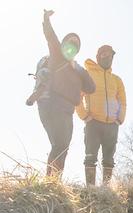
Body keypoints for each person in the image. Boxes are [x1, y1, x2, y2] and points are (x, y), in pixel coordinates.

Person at [29, 10, 96, 178]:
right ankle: (50, 181)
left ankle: (54, 181)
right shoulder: (57, 54)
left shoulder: (77, 69)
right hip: (51, 105)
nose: (71, 46)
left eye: (75, 45)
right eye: (69, 42)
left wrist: (79, 69)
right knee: (59, 144)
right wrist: (46, 19)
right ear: (63, 44)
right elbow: (50, 36)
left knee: (63, 146)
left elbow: (91, 87)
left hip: (68, 111)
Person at [76, 45, 127, 186]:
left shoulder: (117, 80)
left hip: (112, 125)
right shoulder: (88, 75)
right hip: (93, 123)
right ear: (98, 57)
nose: (108, 57)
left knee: (109, 159)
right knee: (90, 157)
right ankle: (91, 188)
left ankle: (106, 189)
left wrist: (119, 119)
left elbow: (122, 101)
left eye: (110, 55)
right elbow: (77, 97)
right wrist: (84, 116)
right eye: (104, 55)